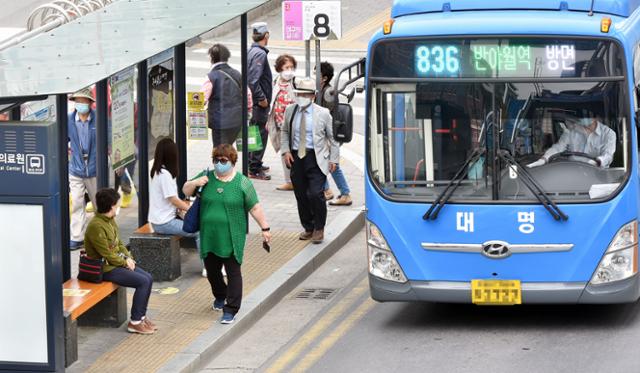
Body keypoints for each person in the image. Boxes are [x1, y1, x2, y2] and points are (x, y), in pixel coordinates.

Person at [182, 144, 271, 324]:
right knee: (213, 271)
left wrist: (265, 228)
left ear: (232, 162)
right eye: (216, 160)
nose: (219, 164)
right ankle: (220, 295)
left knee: (233, 272)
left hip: (232, 236)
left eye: (223, 161)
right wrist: (194, 183)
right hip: (209, 236)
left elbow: (254, 207)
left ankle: (231, 309)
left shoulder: (242, 183)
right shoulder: (206, 177)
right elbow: (185, 190)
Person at [84, 188, 156, 335]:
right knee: (142, 282)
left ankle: (141, 317)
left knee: (148, 277)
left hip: (115, 264)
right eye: (117, 204)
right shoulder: (96, 226)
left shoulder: (109, 220)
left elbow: (119, 244)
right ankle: (135, 322)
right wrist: (124, 262)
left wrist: (128, 257)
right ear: (111, 206)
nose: (118, 206)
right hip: (105, 269)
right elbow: (107, 254)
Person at [281, 78, 340, 244]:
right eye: (299, 93)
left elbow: (332, 138)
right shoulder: (290, 110)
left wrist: (334, 158)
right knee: (301, 194)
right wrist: (285, 151)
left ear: (313, 96)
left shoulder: (322, 113)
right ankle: (308, 226)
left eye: (305, 94)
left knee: (315, 193)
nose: (302, 97)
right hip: (296, 157)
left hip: (316, 157)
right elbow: (284, 131)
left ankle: (319, 228)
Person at [148, 137, 201, 254]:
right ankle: (207, 267)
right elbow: (173, 200)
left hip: (161, 220)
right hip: (164, 223)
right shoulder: (164, 175)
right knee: (199, 231)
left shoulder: (158, 171)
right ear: (172, 155)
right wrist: (191, 209)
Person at [316, 62, 353, 206]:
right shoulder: (322, 90)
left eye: (316, 74)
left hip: (328, 134)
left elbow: (328, 115)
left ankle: (345, 194)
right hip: (325, 134)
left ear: (324, 78)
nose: (314, 77)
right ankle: (327, 190)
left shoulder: (327, 92)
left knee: (332, 164)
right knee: (320, 161)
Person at [68, 88, 98, 250]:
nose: (80, 104)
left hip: (95, 168)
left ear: (90, 103)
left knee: (98, 204)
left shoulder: (98, 119)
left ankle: (103, 235)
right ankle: (77, 236)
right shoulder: (69, 120)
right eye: (77, 101)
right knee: (78, 203)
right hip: (76, 169)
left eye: (83, 101)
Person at [527, 114, 616, 168]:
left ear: (595, 117)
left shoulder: (609, 134)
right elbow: (558, 148)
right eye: (581, 116)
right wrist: (544, 159)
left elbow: (608, 156)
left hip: (597, 174)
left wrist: (596, 162)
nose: (583, 119)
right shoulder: (572, 131)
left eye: (587, 116)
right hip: (573, 172)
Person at [267, 54, 298, 191]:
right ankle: (289, 181)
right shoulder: (276, 81)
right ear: (280, 68)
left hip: (294, 124)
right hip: (279, 123)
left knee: (295, 152)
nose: (289, 70)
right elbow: (273, 101)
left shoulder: (296, 82)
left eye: (291, 67)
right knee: (284, 152)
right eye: (286, 67)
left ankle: (296, 180)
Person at [247, 21, 273, 180]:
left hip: (253, 103)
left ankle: (253, 162)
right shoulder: (260, 54)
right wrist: (262, 99)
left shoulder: (251, 51)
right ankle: (254, 168)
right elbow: (253, 80)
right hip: (258, 104)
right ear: (266, 35)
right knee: (260, 133)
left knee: (253, 133)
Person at [205, 44, 243, 146]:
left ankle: (224, 162)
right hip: (237, 120)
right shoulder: (237, 74)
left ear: (212, 58)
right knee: (228, 148)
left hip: (219, 123)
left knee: (220, 152)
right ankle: (229, 161)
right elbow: (247, 96)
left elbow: (202, 99)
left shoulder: (211, 77)